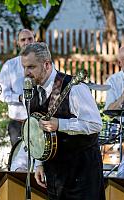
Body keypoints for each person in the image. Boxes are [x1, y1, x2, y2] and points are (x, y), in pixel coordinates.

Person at [20, 42, 105, 199]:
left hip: (82, 173)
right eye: (24, 67)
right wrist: (39, 163)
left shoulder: (74, 87)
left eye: (31, 67)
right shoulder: (32, 92)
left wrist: (60, 124)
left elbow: (95, 124)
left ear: (46, 64)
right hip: (55, 173)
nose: (26, 72)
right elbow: (37, 134)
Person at [0, 29, 35, 146]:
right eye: (23, 39)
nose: (27, 42)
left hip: (39, 123)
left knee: (39, 162)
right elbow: (0, 93)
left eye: (30, 39)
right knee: (18, 161)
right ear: (17, 43)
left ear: (35, 41)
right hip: (18, 123)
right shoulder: (9, 65)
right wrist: (19, 98)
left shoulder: (45, 63)